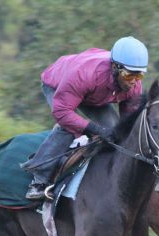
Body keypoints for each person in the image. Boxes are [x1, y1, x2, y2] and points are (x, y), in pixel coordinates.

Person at [22, 36, 148, 200]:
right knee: (68, 128)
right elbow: (62, 113)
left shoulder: (133, 85)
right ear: (115, 67)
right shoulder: (83, 75)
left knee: (115, 132)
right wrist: (94, 129)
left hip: (95, 94)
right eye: (129, 76)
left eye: (139, 76)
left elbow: (127, 124)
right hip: (59, 85)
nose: (134, 82)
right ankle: (39, 180)